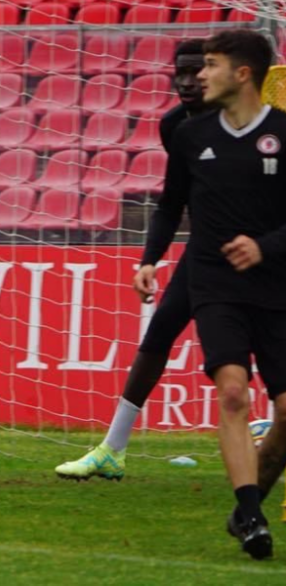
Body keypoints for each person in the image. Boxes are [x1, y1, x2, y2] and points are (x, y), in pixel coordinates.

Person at [130, 29, 286, 559]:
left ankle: (247, 507)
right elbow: (171, 205)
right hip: (214, 284)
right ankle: (254, 517)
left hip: (277, 288)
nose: (200, 75)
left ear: (242, 74)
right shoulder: (190, 138)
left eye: (212, 65)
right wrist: (150, 258)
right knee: (234, 392)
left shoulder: (285, 135)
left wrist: (265, 247)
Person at [56, 40, 212, 481]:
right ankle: (113, 448)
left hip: (260, 251)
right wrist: (150, 259)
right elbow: (173, 200)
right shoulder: (176, 126)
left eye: (196, 70)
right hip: (204, 249)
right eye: (178, 70)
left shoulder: (253, 124)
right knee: (160, 331)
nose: (185, 80)